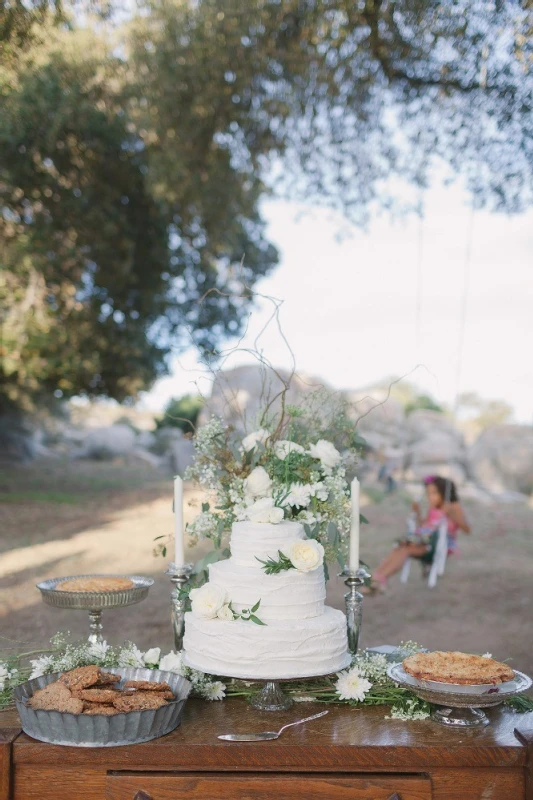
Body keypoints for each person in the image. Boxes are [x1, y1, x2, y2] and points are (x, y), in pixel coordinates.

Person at [372, 475, 471, 591]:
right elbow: (425, 526)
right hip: (425, 541)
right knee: (399, 547)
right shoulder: (433, 508)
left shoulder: (453, 506)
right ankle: (377, 577)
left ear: (443, 492)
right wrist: (417, 512)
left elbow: (467, 529)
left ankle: (381, 578)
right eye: (428, 494)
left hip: (438, 545)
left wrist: (451, 514)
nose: (430, 497)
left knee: (405, 549)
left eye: (434, 493)